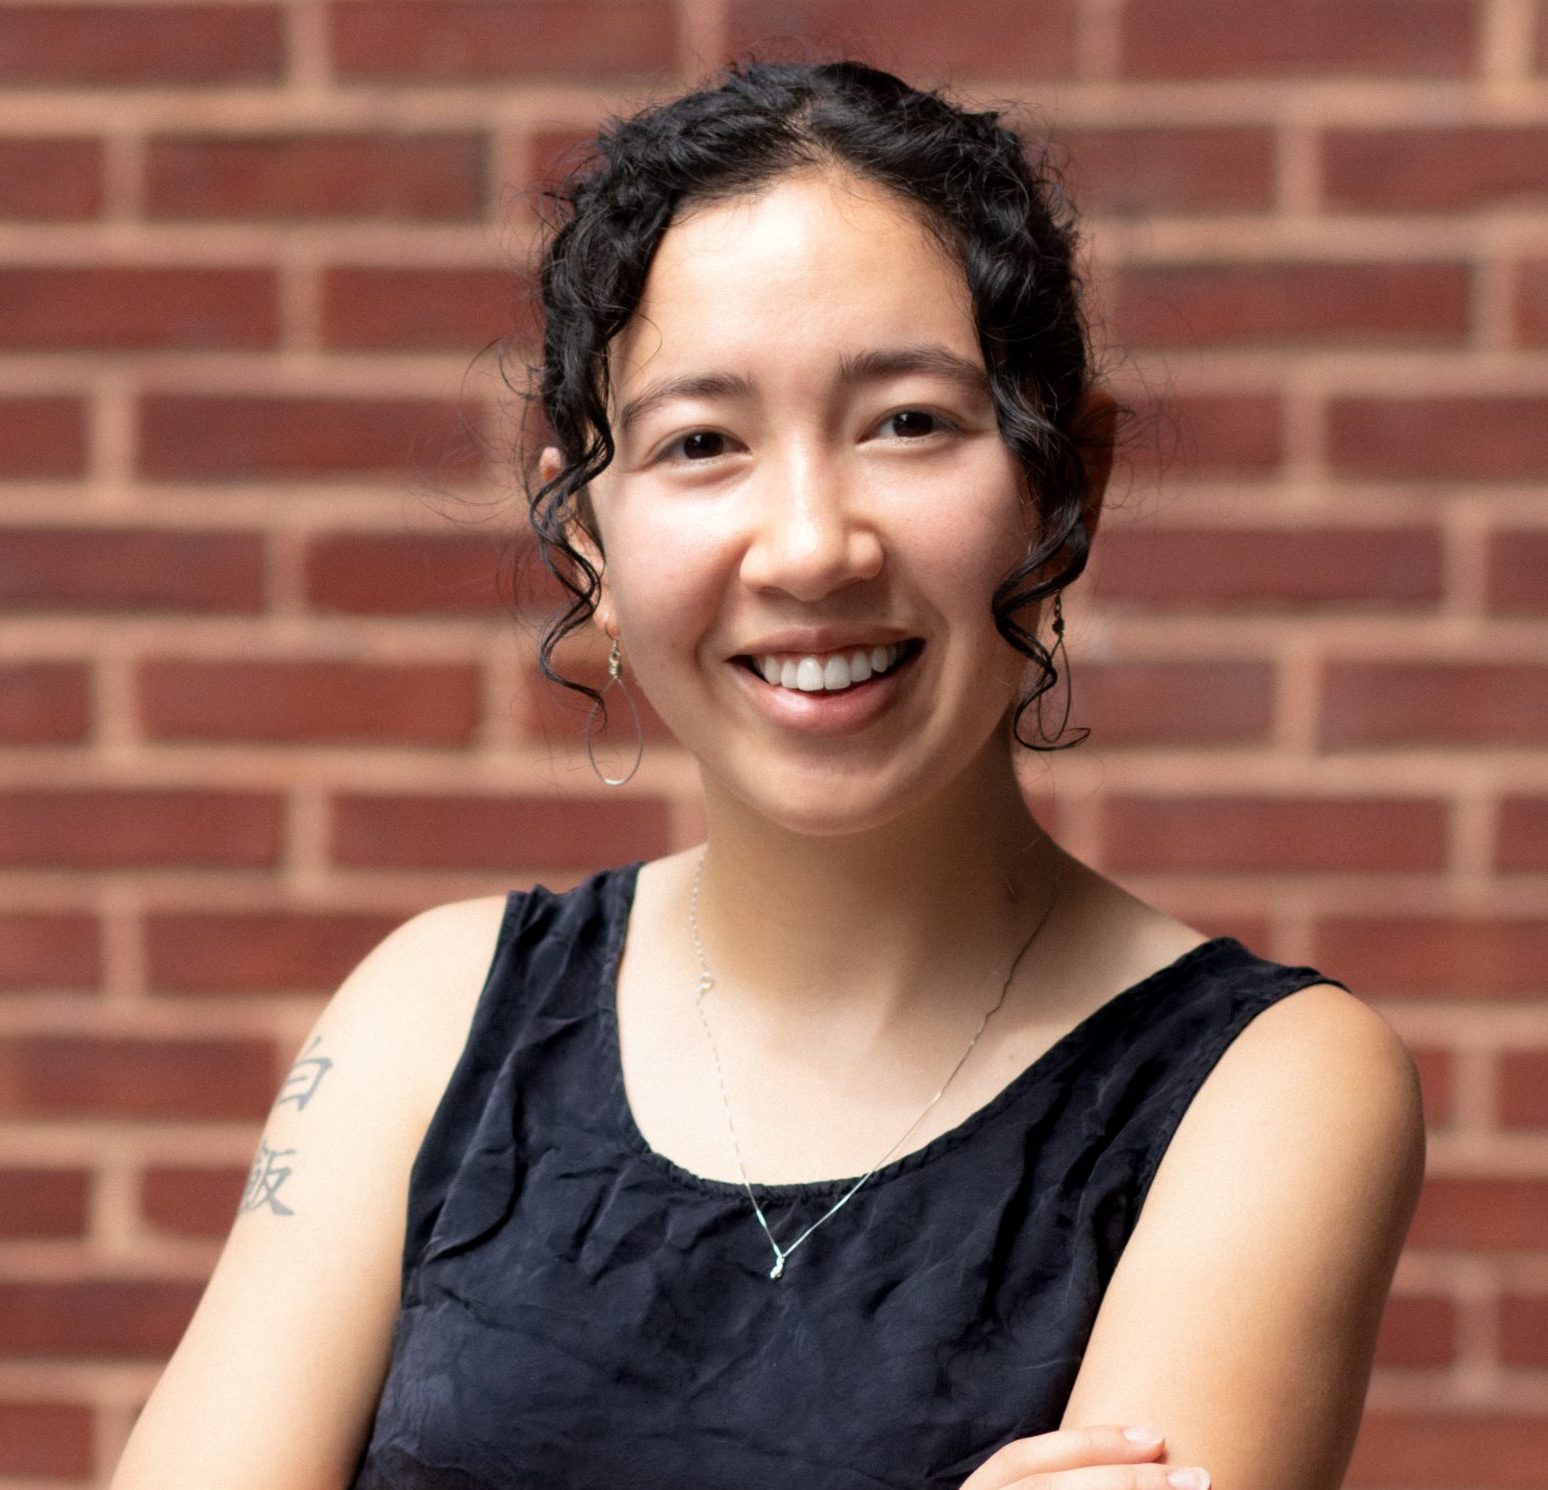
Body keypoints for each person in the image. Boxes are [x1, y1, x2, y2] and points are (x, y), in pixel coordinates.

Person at [111, 58, 1426, 1490]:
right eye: (701, 443)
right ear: (588, 546)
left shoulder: (1266, 1087)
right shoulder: (431, 1018)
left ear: (1065, 486)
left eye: (909, 421)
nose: (811, 546)